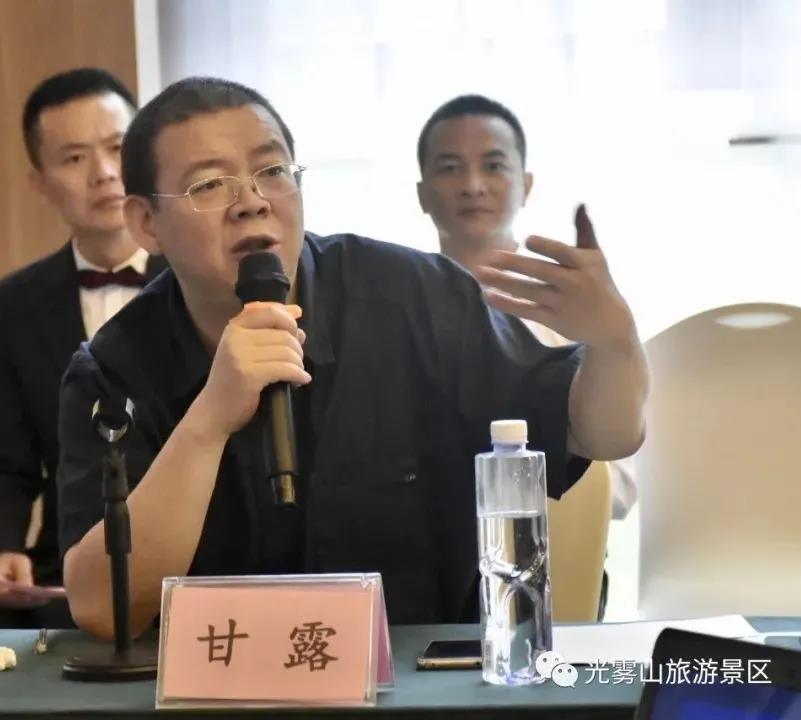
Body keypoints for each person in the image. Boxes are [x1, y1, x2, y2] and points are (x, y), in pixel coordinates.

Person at [56, 77, 648, 639]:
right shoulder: (115, 368)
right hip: (217, 683)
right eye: (209, 185)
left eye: (272, 171)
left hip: (418, 681)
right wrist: (208, 420)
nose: (252, 202)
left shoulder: (415, 297)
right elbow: (104, 611)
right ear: (146, 223)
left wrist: (615, 347)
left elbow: (602, 433)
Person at [0, 68, 165, 629]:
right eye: (75, 158)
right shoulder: (19, 301)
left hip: (196, 556)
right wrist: (1, 548)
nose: (103, 173)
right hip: (68, 565)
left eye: (117, 148)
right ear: (40, 182)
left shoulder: (199, 279)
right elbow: (4, 462)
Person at [415, 93, 637, 521]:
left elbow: (620, 487)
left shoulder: (573, 307)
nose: (473, 185)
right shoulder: (400, 311)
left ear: (526, 185)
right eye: (450, 168)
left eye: (494, 165)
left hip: (547, 546)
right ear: (422, 194)